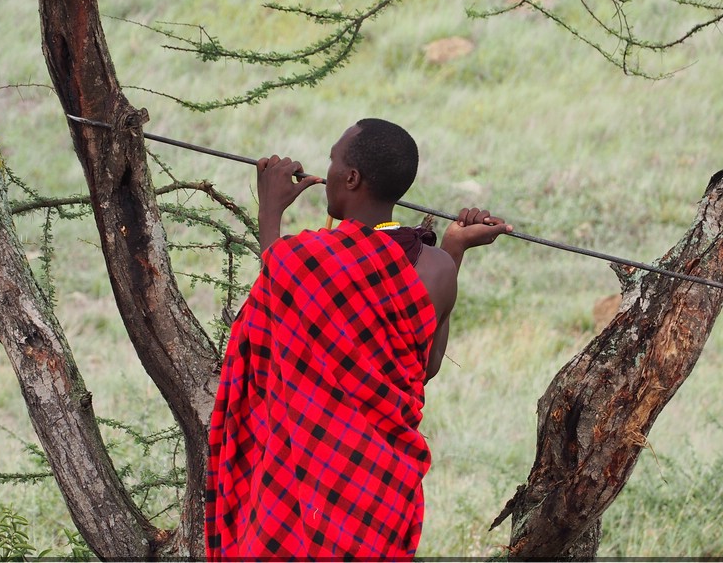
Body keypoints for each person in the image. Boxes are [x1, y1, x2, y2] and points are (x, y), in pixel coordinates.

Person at [205, 118, 510, 560]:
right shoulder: (440, 268)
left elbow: (277, 283)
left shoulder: (305, 257)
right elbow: (425, 367)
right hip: (378, 488)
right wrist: (454, 248)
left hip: (303, 482)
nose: (326, 168)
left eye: (333, 160)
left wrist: (269, 208)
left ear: (351, 178)